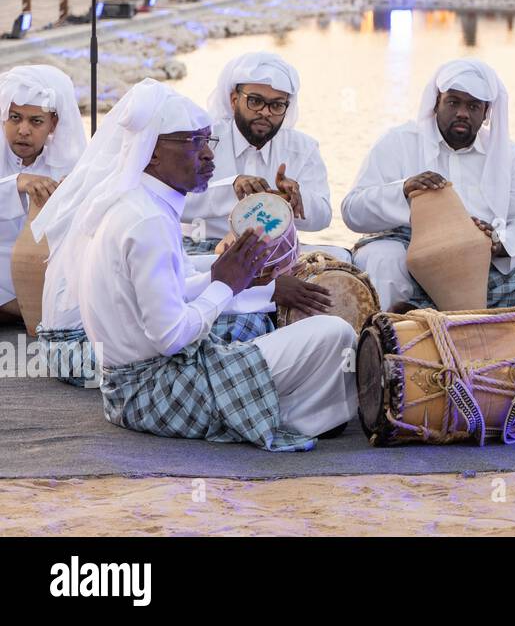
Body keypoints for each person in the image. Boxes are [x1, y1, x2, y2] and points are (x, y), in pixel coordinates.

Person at [37, 79, 356, 447]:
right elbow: (171, 337)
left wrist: (254, 285)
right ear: (152, 152)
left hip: (128, 392)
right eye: (192, 143)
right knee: (336, 334)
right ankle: (297, 415)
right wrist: (224, 286)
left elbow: (169, 293)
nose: (207, 155)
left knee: (272, 328)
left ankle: (298, 412)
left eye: (208, 141)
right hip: (159, 392)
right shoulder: (148, 222)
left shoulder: (137, 203)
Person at [343, 59, 515, 311]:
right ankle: (393, 338)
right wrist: (404, 190)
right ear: (437, 101)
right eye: (453, 102)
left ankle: (495, 339)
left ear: (486, 112)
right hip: (407, 252)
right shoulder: (398, 142)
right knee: (384, 259)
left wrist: (497, 244)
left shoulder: (509, 155)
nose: (462, 112)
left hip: (480, 263)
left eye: (473, 106)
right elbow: (352, 212)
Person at [179, 51, 336, 320]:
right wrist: (233, 187)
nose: (265, 112)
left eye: (277, 105)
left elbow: (324, 215)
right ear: (233, 99)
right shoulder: (204, 138)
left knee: (339, 261)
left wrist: (296, 202)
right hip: (204, 246)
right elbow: (179, 201)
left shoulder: (303, 148)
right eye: (255, 101)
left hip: (277, 255)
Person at [0, 67, 87, 342]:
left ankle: (30, 310)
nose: (23, 130)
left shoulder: (69, 160)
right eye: (15, 118)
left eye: (35, 121)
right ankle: (36, 312)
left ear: (54, 124)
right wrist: (18, 183)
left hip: (43, 262)